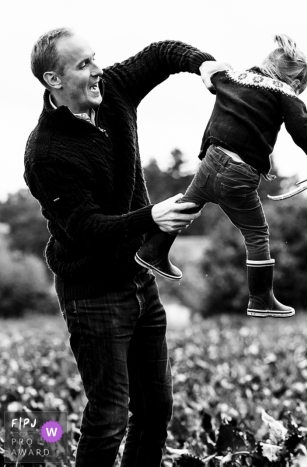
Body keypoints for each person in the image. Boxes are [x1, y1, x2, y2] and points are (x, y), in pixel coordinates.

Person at [23, 27, 221, 466]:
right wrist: (150, 217)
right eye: (83, 65)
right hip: (92, 296)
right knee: (109, 415)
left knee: (155, 409)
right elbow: (87, 227)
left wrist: (202, 63)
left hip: (138, 284)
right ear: (54, 80)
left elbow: (159, 54)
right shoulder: (46, 154)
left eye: (95, 60)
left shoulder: (113, 92)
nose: (97, 72)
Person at [135, 34, 307, 319]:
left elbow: (211, 76)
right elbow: (304, 132)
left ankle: (152, 251)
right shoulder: (285, 94)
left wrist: (211, 67)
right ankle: (261, 299)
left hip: (210, 163)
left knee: (187, 205)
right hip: (238, 175)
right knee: (257, 234)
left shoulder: (233, 77)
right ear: (296, 83)